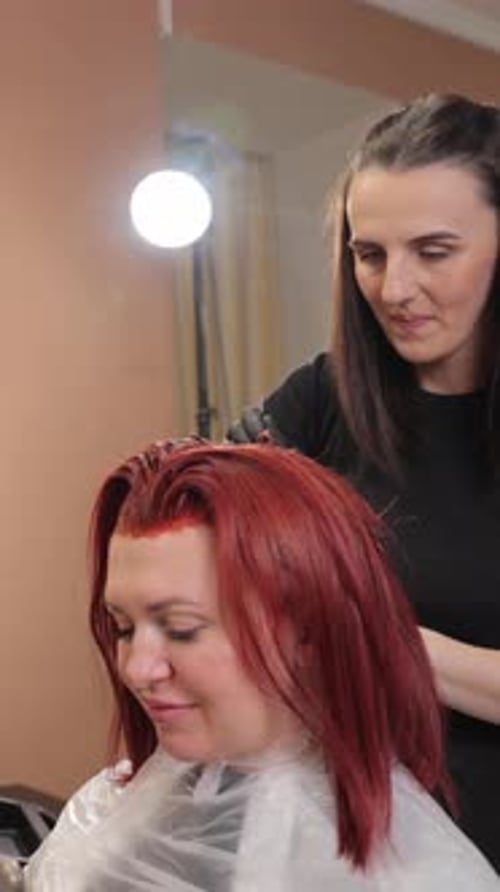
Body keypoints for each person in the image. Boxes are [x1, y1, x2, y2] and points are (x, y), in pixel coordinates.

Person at [24, 440, 499, 890]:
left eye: (182, 628)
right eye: (124, 628)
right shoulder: (127, 816)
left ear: (311, 631)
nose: (136, 669)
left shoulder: (415, 876)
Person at [227, 91, 500, 870]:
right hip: (345, 848)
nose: (393, 288)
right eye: (369, 253)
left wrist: (376, 642)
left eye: (434, 251)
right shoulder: (319, 401)